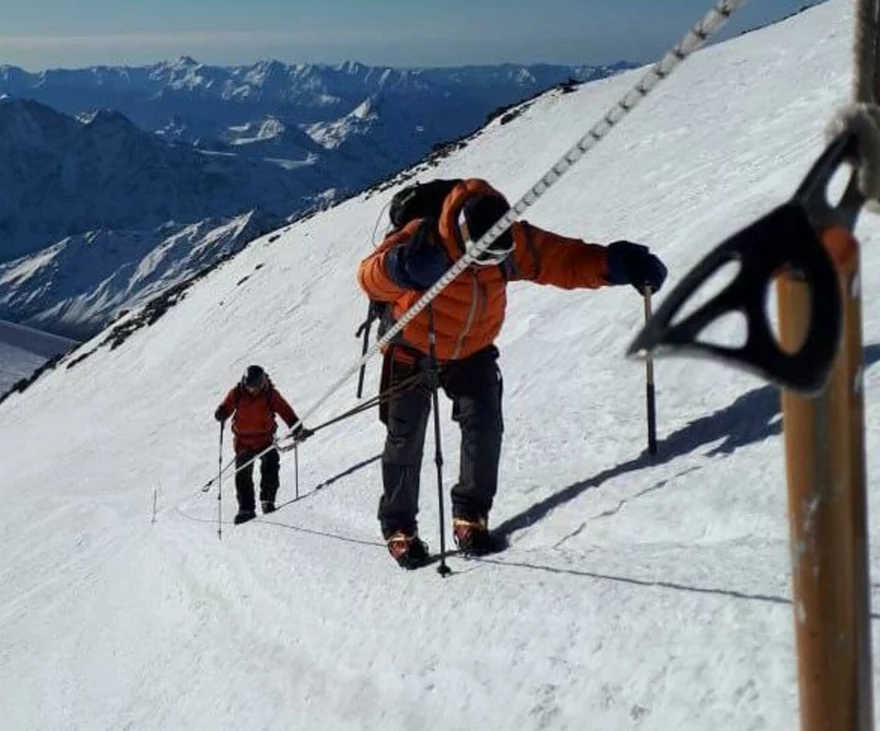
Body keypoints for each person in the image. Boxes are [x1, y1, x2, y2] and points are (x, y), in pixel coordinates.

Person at [357, 177, 667, 567]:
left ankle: (470, 513)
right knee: (405, 437)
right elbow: (368, 275)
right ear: (462, 236)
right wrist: (401, 266)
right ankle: (399, 527)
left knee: (484, 424)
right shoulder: (422, 237)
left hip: (471, 348)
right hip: (412, 347)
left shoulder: (508, 239)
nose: (487, 265)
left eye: (493, 260)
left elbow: (562, 260)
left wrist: (615, 265)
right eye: (479, 257)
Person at [214, 365, 311, 524]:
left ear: (262, 382)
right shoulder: (237, 392)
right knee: (242, 474)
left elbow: (285, 410)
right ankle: (246, 510)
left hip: (264, 439)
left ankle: (268, 500)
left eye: (255, 387)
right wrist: (222, 412)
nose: (252, 390)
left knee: (271, 465)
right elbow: (227, 406)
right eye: (249, 386)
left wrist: (297, 428)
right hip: (243, 442)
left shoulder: (269, 394)